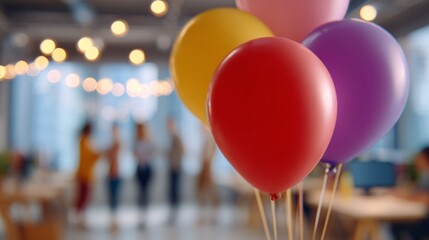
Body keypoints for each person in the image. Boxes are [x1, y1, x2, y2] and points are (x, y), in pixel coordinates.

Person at [391, 146, 429, 240]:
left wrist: (405, 197)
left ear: (424, 158)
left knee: (397, 225)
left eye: (418, 157)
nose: (416, 160)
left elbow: (426, 198)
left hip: (425, 221)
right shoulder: (424, 174)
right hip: (422, 216)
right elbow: (418, 190)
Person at [74, 122, 100, 229]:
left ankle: (82, 220)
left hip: (87, 175)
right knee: (82, 198)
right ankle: (79, 220)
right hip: (84, 175)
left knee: (85, 198)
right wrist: (100, 153)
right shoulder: (84, 141)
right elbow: (90, 155)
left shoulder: (86, 141)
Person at [134, 123, 156, 227]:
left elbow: (153, 152)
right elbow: (134, 153)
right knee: (140, 192)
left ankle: (145, 216)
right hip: (139, 168)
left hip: (147, 168)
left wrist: (145, 155)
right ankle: (140, 216)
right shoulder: (136, 141)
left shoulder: (149, 141)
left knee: (145, 192)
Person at [196, 126, 219, 223]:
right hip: (204, 165)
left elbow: (212, 152)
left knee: (209, 190)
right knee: (201, 190)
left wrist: (208, 163)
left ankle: (213, 214)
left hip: (207, 165)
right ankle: (203, 214)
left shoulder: (210, 137)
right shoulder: (205, 138)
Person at [166, 118, 184, 223]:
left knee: (175, 191)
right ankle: (172, 213)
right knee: (171, 191)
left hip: (176, 168)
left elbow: (182, 151)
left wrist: (176, 160)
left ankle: (175, 214)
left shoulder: (177, 138)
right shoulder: (171, 138)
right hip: (172, 167)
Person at [106, 123, 122, 230]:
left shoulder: (118, 144)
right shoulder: (111, 144)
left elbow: (112, 156)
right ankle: (112, 220)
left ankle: (115, 221)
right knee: (111, 198)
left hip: (116, 173)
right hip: (110, 173)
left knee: (115, 198)